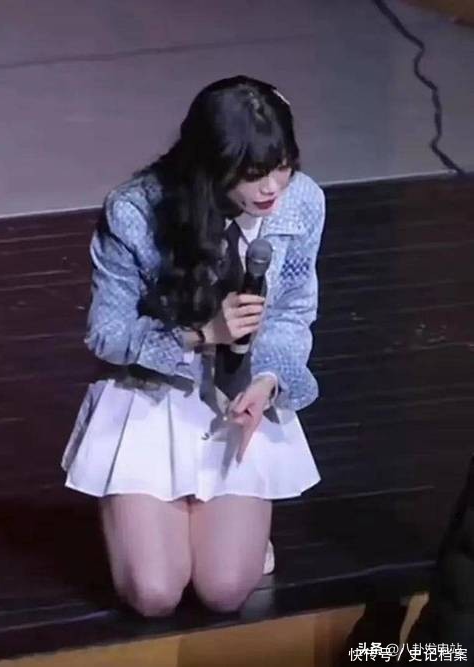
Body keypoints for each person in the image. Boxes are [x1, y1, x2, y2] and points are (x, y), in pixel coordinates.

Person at [61, 75, 325, 617]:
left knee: (224, 590)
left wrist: (267, 380)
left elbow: (292, 313)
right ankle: (130, 508)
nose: (272, 187)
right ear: (212, 164)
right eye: (252, 174)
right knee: (155, 593)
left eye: (282, 166)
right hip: (151, 394)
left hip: (234, 397)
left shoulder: (302, 203)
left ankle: (234, 530)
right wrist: (203, 334)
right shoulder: (136, 210)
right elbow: (106, 333)